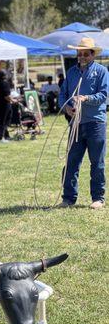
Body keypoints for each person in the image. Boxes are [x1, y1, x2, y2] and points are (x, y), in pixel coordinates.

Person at [58, 37, 108, 209]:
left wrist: (86, 98)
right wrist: (67, 108)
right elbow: (62, 95)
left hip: (95, 123)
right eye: (79, 54)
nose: (82, 57)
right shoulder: (71, 73)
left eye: (86, 54)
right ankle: (68, 198)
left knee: (97, 162)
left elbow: (104, 95)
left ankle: (98, 198)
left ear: (93, 55)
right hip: (76, 123)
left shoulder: (102, 72)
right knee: (72, 161)